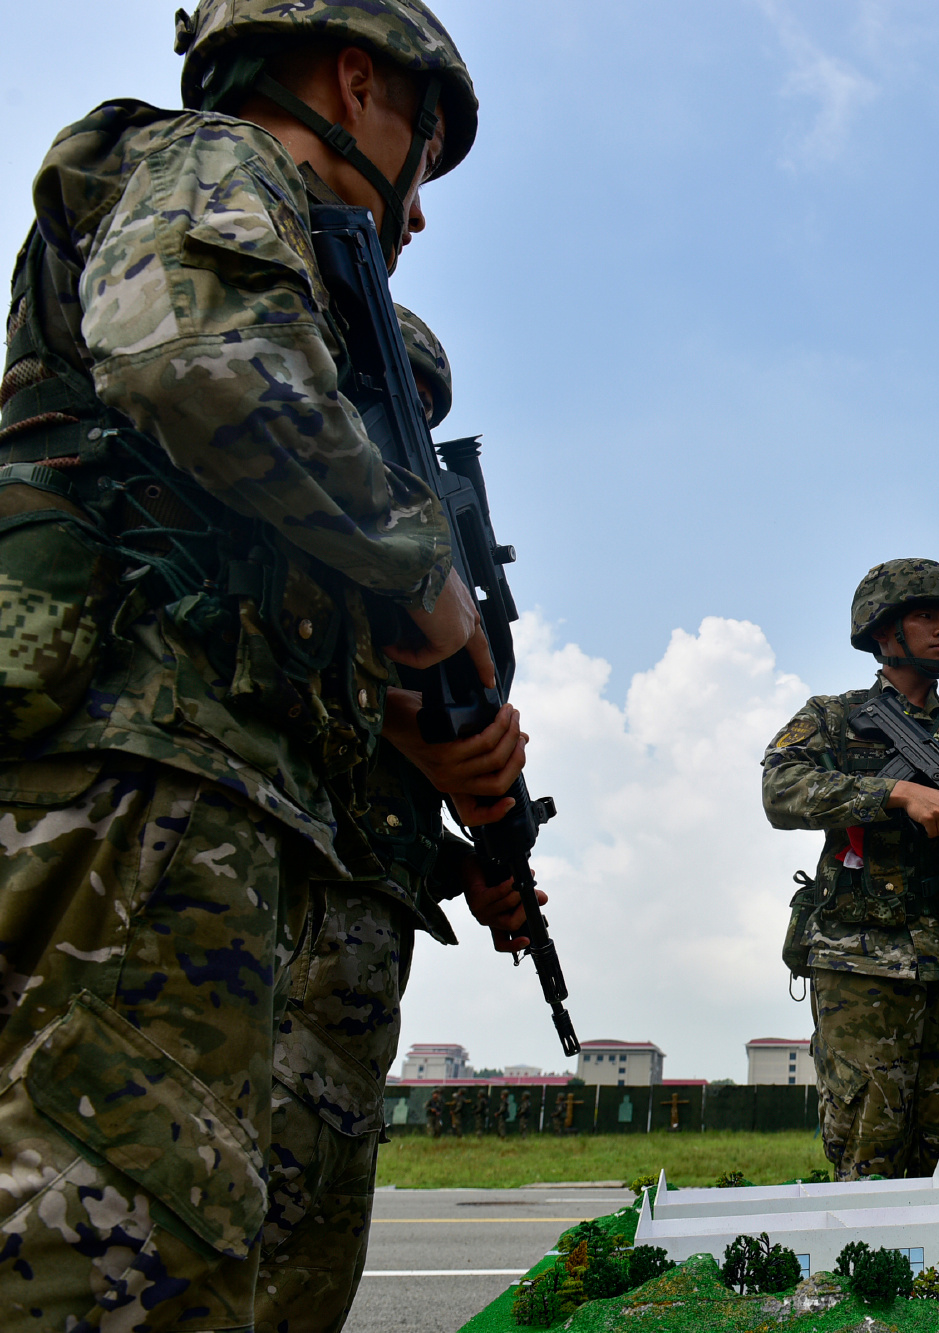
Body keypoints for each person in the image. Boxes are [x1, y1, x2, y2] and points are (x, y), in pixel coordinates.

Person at [0, 2, 485, 1324]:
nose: (420, 213)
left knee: (192, 1255)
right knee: (112, 1264)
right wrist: (415, 572)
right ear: (352, 76)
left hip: (183, 801)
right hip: (138, 791)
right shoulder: (223, 165)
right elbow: (196, 358)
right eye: (424, 148)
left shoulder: (263, 215)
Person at [255, 307, 532, 1332]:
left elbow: (375, 794)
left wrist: (464, 863)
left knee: (310, 1252)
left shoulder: (415, 554)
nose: (401, 421)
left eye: (421, 407)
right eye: (384, 393)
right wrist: (400, 719)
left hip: (353, 963)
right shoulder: (250, 484)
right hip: (246, 922)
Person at [762, 559, 939, 1201]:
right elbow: (780, 790)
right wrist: (895, 794)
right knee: (868, 1138)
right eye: (927, 616)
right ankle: (868, 1280)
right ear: (883, 630)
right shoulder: (834, 717)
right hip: (862, 960)